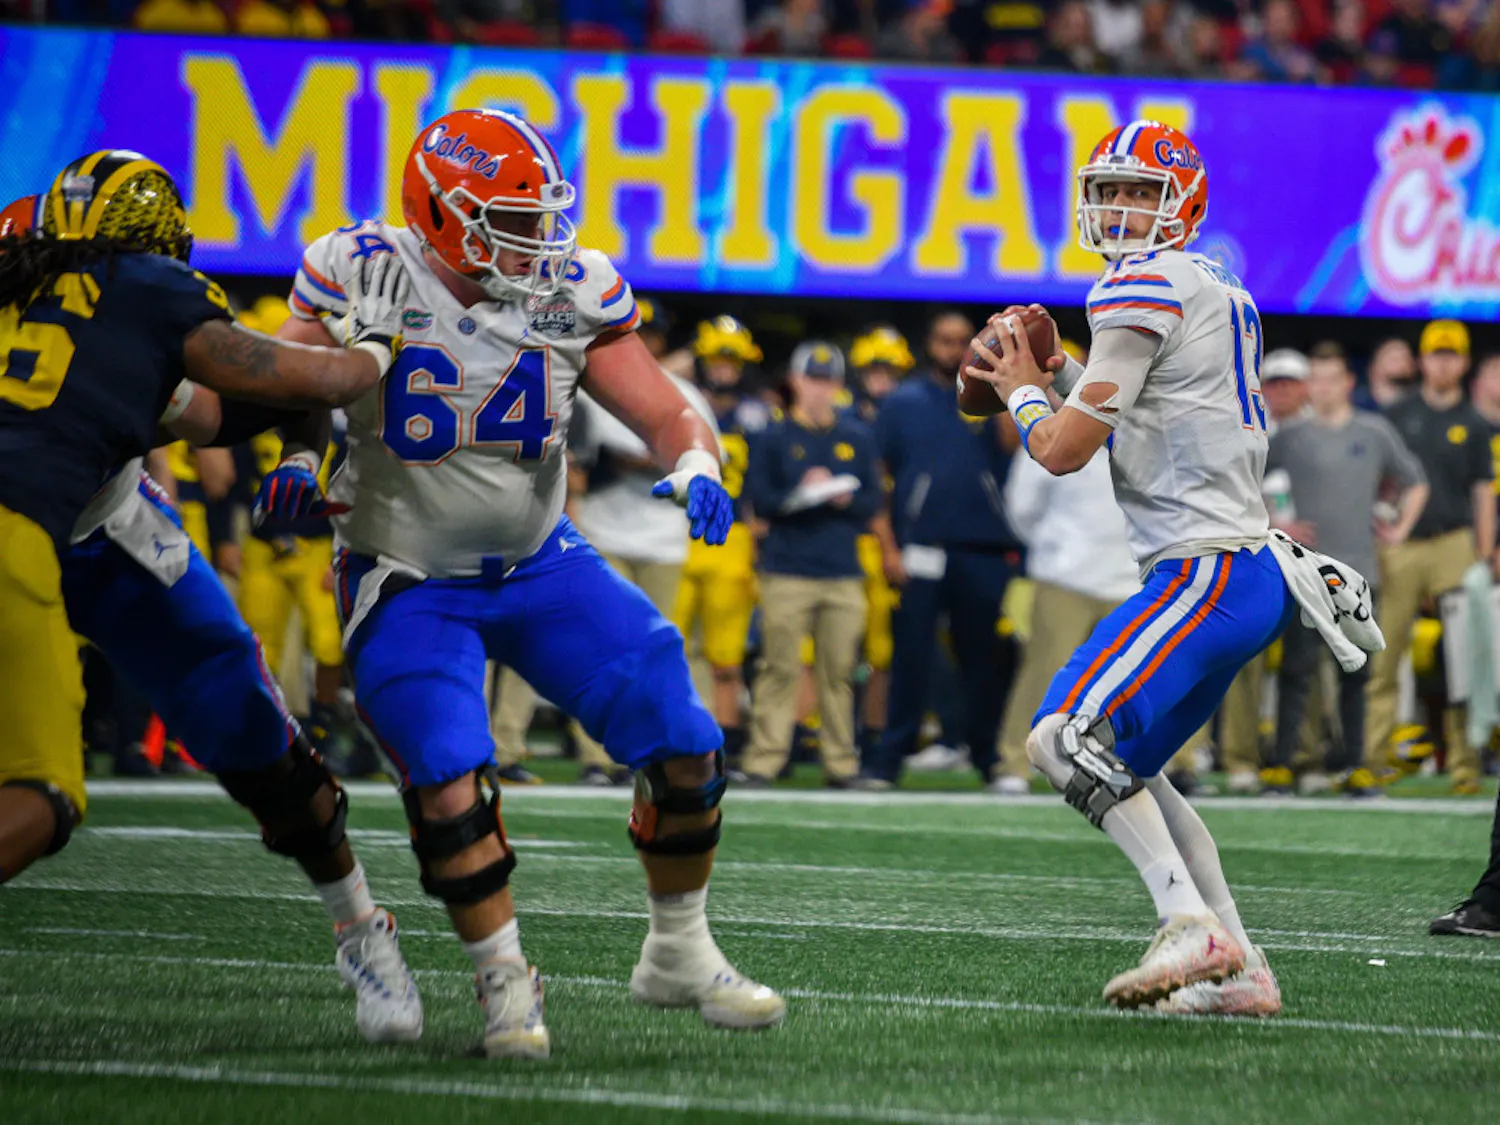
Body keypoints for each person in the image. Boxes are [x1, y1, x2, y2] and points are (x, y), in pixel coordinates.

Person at [255, 108, 786, 1059]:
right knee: (450, 774)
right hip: (408, 574)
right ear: (442, 210)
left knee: (687, 740)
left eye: (541, 213)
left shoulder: (573, 286)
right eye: (510, 216)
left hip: (544, 559)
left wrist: (699, 461)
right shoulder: (358, 264)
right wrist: (296, 458)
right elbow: (293, 381)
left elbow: (667, 408)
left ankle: (679, 949)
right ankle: (505, 982)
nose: (539, 237)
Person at [960, 120, 1380, 1017]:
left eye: (1139, 192)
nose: (1118, 208)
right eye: (1109, 190)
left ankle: (1190, 921)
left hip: (1208, 570)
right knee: (1131, 766)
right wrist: (1063, 364)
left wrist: (1021, 386)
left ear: (1180, 202)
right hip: (1242, 571)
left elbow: (1065, 449)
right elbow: (1154, 408)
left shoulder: (1143, 281)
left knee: (1058, 737)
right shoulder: (1210, 284)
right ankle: (1243, 968)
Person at [0, 161, 422, 1040]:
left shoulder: (68, 293)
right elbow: (305, 380)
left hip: (104, 521)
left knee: (251, 729)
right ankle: (361, 923)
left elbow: (244, 401)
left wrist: (303, 456)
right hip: (34, 528)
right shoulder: (143, 285)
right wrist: (373, 343)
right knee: (48, 790)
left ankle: (359, 925)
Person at [859, 310, 1020, 789]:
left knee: (983, 660)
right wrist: (888, 545)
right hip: (921, 545)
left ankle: (989, 757)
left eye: (959, 341)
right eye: (943, 340)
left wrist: (1006, 388)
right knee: (911, 657)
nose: (951, 349)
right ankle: (889, 758)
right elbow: (877, 479)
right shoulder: (903, 402)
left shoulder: (995, 397)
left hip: (985, 548)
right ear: (929, 344)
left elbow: (1018, 448)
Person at [1264, 342, 1428, 794]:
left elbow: (1415, 482)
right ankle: (1284, 763)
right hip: (1304, 573)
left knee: (1356, 676)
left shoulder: (1373, 432)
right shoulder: (1290, 437)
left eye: (1331, 378)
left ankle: (1355, 764)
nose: (1322, 387)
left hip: (1357, 574)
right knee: (1296, 672)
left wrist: (1398, 530)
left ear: (1348, 383)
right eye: (1315, 379)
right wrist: (1276, 522)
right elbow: (1246, 474)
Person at [742, 342, 881, 787]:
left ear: (839, 386)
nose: (820, 389)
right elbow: (759, 501)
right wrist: (800, 494)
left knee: (840, 672)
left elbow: (873, 501)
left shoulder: (855, 437)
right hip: (787, 568)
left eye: (828, 380)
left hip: (841, 570)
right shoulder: (773, 437)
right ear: (796, 382)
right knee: (778, 667)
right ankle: (765, 759)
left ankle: (841, 764)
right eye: (813, 379)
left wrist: (844, 498)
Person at [1368, 320, 1493, 794]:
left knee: (1464, 659)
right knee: (1384, 652)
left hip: (1454, 544)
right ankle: (1373, 759)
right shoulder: (1397, 416)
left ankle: (1465, 763)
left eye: (1452, 354)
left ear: (1463, 362)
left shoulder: (1475, 423)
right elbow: (1377, 480)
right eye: (1436, 354)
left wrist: (1482, 554)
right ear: (1422, 360)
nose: (1443, 362)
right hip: (1402, 544)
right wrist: (1381, 531)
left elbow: (1483, 494)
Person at [846, 325, 912, 761]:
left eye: (889, 370)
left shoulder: (910, 416)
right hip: (845, 541)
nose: (882, 378)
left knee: (881, 651)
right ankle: (816, 729)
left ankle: (874, 732)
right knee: (832, 648)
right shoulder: (843, 417)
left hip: (888, 541)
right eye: (875, 369)